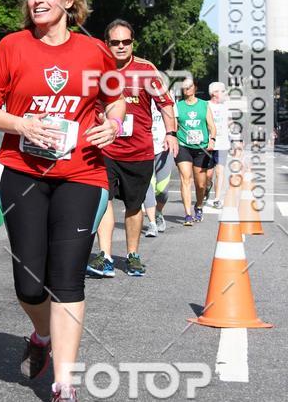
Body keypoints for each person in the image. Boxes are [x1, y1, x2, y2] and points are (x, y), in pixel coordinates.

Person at [0, 0, 125, 402]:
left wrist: (113, 123)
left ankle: (65, 387)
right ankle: (41, 335)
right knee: (28, 283)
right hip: (23, 172)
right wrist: (20, 124)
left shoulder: (94, 50)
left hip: (81, 173)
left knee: (67, 278)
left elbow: (116, 98)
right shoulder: (12, 46)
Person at [86, 20, 177, 278]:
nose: (121, 46)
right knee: (104, 201)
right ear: (107, 43)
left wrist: (171, 133)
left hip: (138, 151)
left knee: (134, 206)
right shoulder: (95, 69)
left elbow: (165, 103)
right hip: (104, 149)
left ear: (132, 43)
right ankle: (105, 256)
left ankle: (132, 255)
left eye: (126, 42)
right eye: (115, 42)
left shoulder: (146, 70)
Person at [175, 76, 216, 225]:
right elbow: (174, 126)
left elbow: (212, 126)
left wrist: (212, 139)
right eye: (184, 87)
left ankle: (198, 206)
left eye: (189, 86)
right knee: (185, 179)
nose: (187, 89)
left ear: (195, 88)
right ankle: (187, 215)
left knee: (201, 185)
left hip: (201, 147)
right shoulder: (177, 106)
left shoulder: (204, 105)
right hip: (183, 146)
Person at [142, 98, 174, 236]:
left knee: (163, 190)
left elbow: (174, 120)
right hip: (145, 148)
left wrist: (171, 136)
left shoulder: (165, 97)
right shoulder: (139, 96)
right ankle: (152, 224)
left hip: (163, 147)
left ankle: (158, 212)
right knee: (148, 186)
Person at [206, 81, 230, 208]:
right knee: (208, 175)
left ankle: (217, 198)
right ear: (214, 93)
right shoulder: (206, 105)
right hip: (209, 144)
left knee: (220, 172)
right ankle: (207, 187)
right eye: (222, 91)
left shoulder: (226, 106)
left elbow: (230, 122)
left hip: (223, 144)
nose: (224, 93)